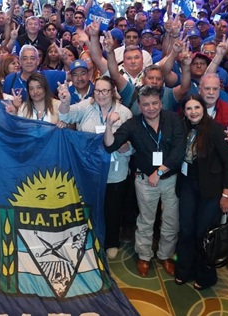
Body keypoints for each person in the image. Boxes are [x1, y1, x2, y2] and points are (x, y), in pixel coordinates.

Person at [103, 85, 186, 278]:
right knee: (146, 220)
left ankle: (165, 255)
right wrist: (108, 126)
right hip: (144, 180)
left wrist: (159, 171)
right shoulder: (133, 124)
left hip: (170, 178)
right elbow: (110, 146)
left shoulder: (173, 119)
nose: (151, 108)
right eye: (146, 104)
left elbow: (179, 151)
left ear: (161, 103)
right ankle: (144, 256)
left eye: (155, 103)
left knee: (171, 221)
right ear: (139, 106)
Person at [57, 76, 134, 259]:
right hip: (89, 169)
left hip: (115, 170)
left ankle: (111, 242)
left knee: (112, 209)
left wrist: (122, 147)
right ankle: (89, 240)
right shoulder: (86, 106)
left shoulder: (124, 113)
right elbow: (66, 115)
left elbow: (132, 145)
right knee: (89, 206)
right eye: (97, 90)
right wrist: (65, 102)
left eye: (105, 90)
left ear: (113, 91)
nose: (100, 95)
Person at [174, 94, 228, 289]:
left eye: (197, 107)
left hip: (211, 189)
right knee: (186, 230)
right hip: (187, 185)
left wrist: (226, 194)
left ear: (203, 108)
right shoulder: (181, 128)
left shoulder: (216, 129)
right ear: (184, 111)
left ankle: (206, 275)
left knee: (204, 232)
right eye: (189, 108)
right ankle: (184, 270)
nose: (193, 112)